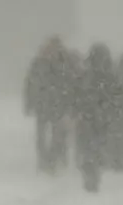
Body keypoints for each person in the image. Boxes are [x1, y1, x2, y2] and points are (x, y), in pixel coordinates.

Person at [24, 36, 79, 174]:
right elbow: (30, 84)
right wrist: (29, 102)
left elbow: (72, 83)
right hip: (45, 104)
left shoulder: (64, 63)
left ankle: (52, 159)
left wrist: (72, 103)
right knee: (42, 135)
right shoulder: (40, 63)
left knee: (57, 134)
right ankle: (45, 159)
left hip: (57, 104)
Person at [75, 43, 123, 192]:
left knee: (90, 149)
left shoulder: (88, 75)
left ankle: (91, 174)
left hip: (92, 118)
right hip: (96, 118)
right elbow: (118, 97)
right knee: (94, 148)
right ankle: (92, 174)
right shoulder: (107, 76)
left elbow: (75, 94)